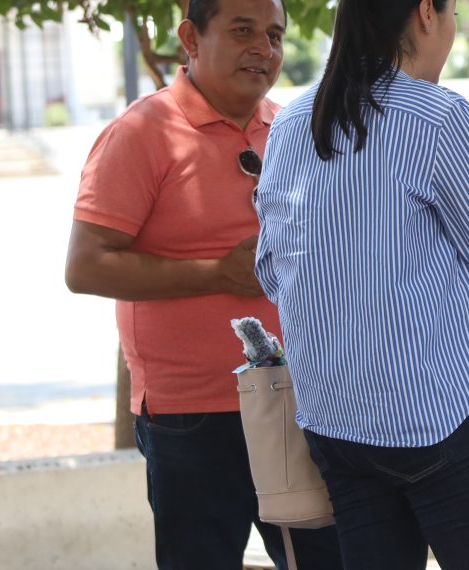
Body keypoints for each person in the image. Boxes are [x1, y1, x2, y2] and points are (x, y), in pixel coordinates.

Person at [253, 0, 469, 566]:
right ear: (426, 14)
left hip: (336, 422)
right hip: (439, 420)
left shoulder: (289, 121)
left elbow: (270, 270)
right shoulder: (436, 116)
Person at [63, 0, 342, 568]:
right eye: (243, 30)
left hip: (301, 401)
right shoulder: (143, 132)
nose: (264, 49)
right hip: (190, 417)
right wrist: (217, 272)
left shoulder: (295, 129)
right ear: (191, 37)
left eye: (275, 35)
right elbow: (85, 266)